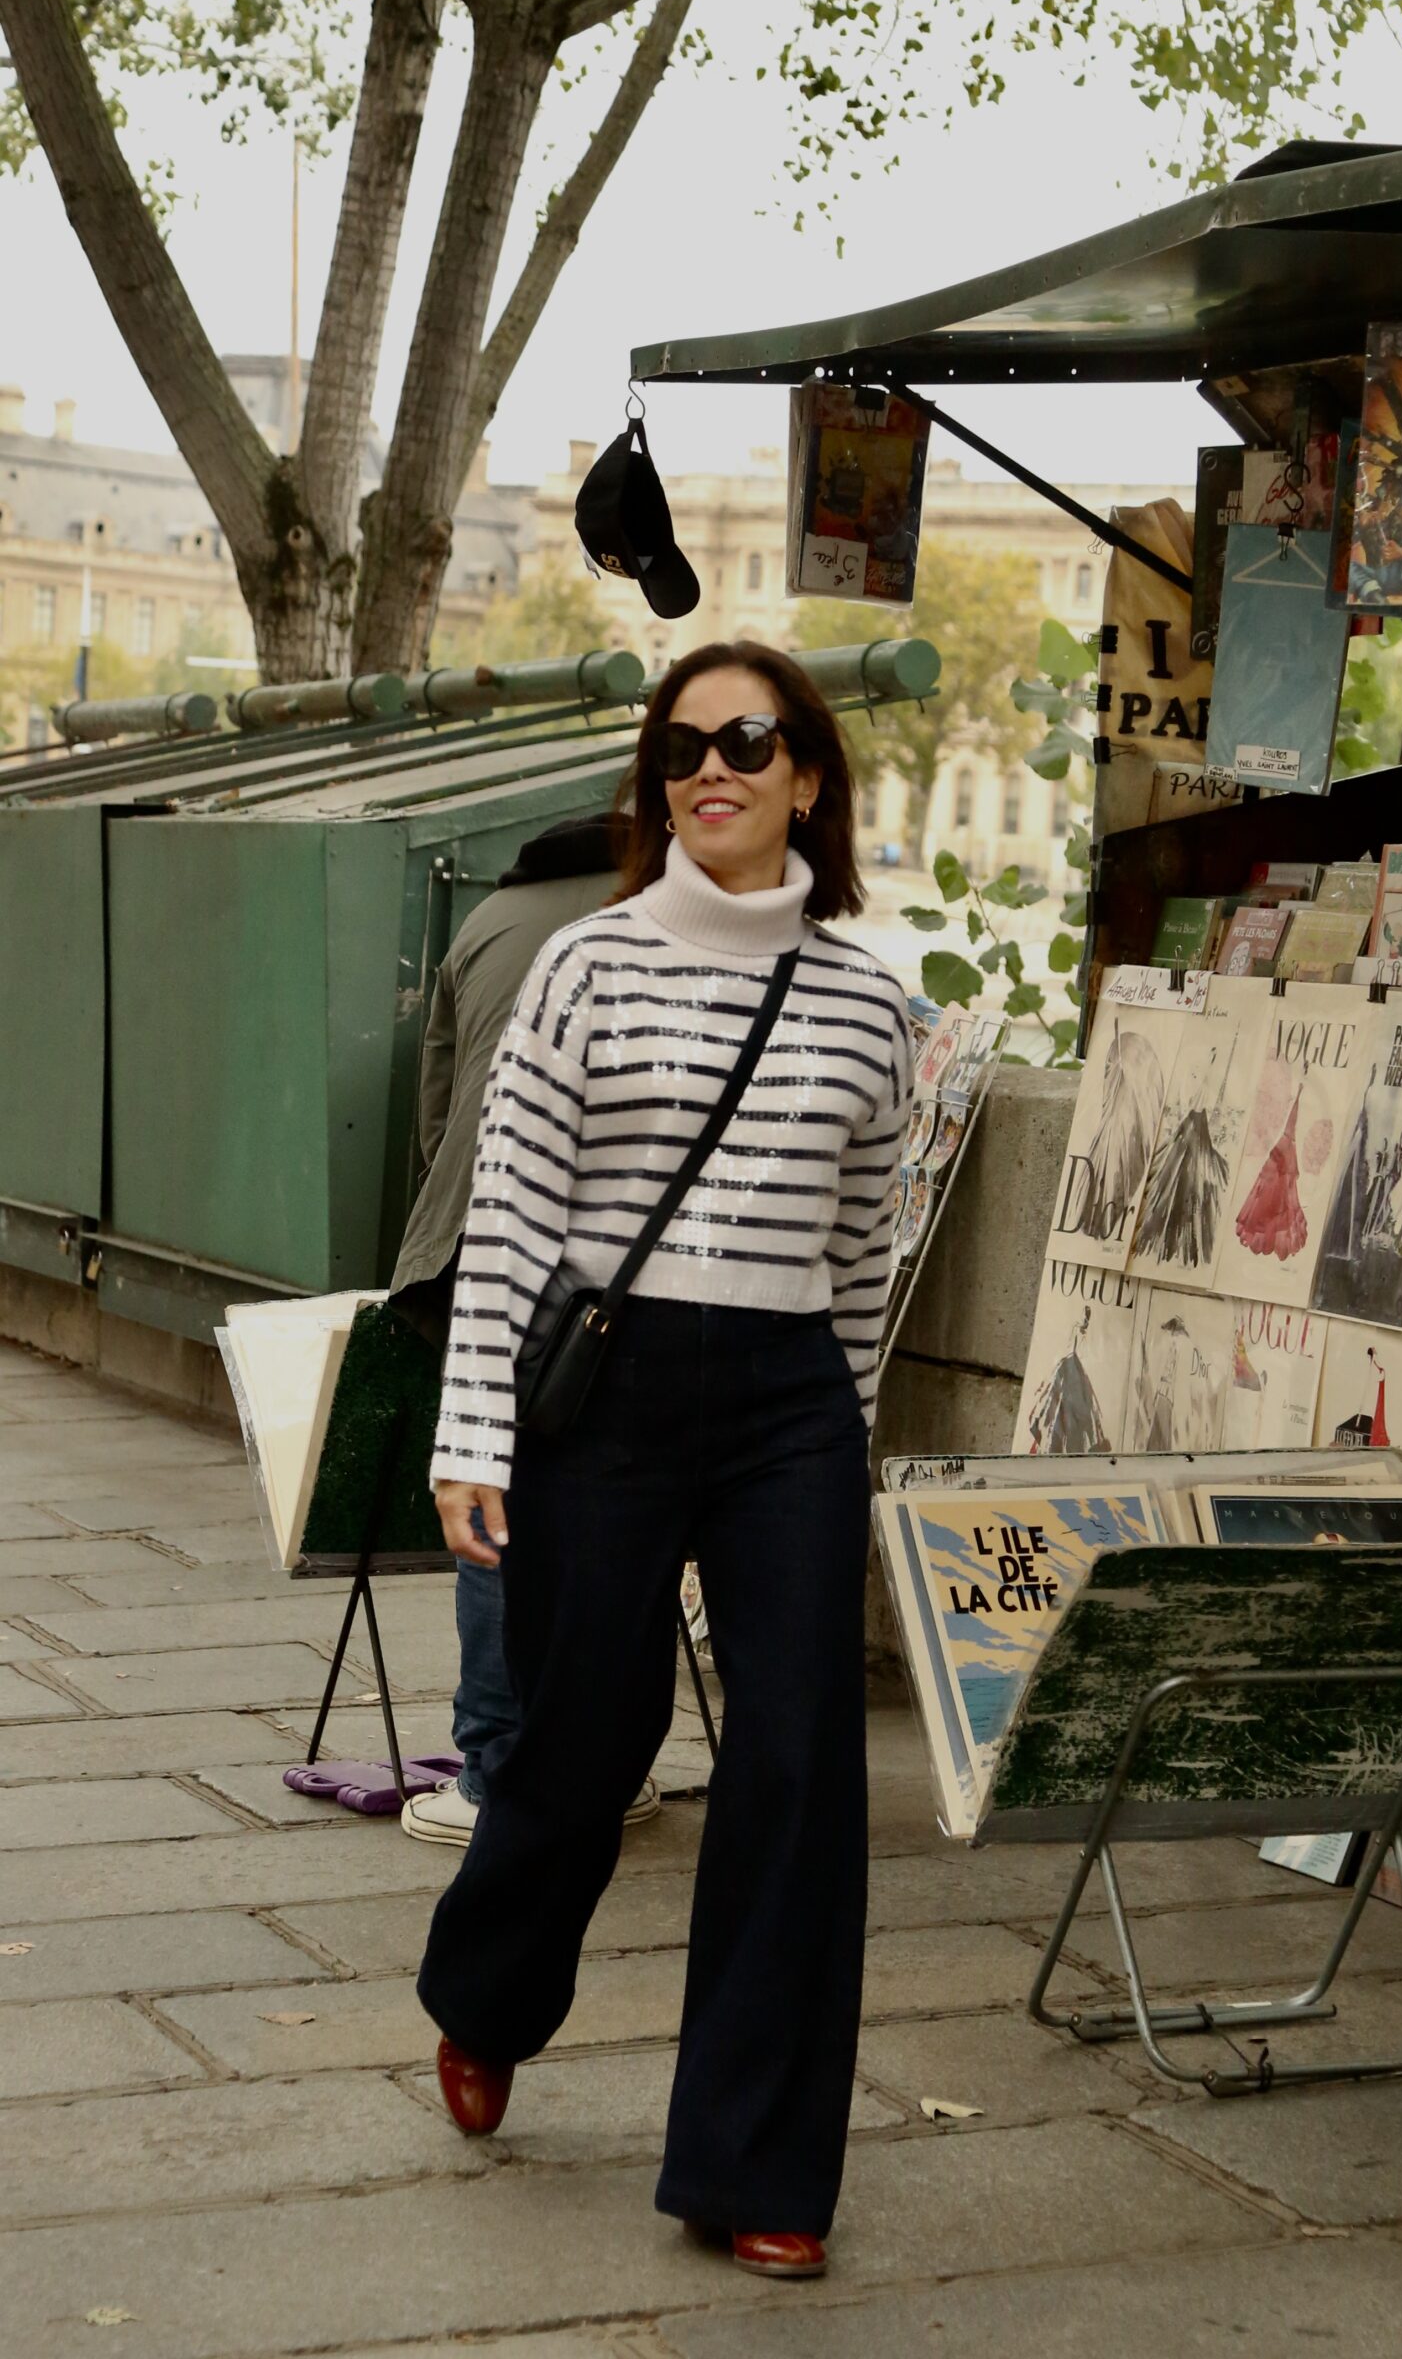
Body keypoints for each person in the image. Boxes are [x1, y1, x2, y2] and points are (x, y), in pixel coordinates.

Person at [417, 641, 909, 2285]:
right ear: (659, 779)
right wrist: (470, 1435)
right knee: (579, 1739)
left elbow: (861, 1257)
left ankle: (757, 2165)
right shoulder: (585, 967)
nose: (717, 768)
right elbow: (511, 1220)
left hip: (786, 1412)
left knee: (793, 1765)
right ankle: (487, 1994)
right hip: (608, 1397)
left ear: (809, 778)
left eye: (750, 741)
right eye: (686, 745)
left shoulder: (870, 998)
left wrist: (848, 1446)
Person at [387, 815, 661, 1848]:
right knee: (632, 1513)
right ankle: (613, 1766)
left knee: (493, 1511)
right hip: (624, 1269)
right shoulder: (649, 914)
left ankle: (493, 1768)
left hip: (485, 1242)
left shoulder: (486, 921)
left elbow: (434, 1112)